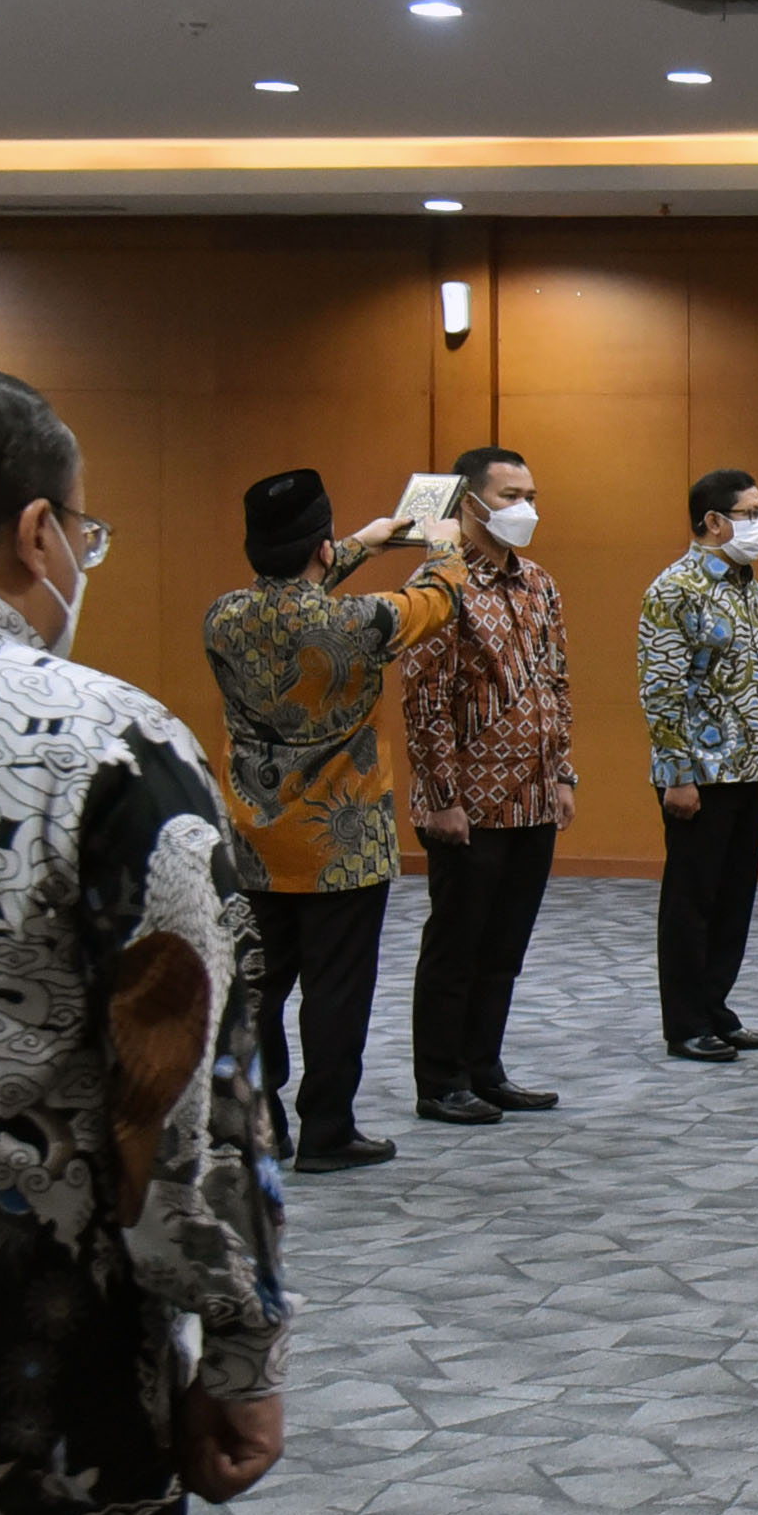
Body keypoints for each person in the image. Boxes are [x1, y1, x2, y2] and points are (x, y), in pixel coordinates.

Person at [0, 360, 290, 1515]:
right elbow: (184, 1097)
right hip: (22, 1428)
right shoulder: (104, 742)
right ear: (37, 532)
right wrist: (239, 1347)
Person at [204, 469, 464, 1172]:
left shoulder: (222, 616)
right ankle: (327, 1129)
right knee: (336, 991)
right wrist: (443, 544)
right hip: (340, 844)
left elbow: (294, 592)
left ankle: (259, 1121)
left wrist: (358, 544)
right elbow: (436, 599)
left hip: (254, 837)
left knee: (258, 987)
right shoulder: (357, 623)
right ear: (320, 549)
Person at [398, 446, 576, 1125]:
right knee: (457, 947)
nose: (524, 508)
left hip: (533, 797)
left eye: (531, 495)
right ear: (469, 503)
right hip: (467, 804)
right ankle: (441, 1080)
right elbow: (424, 699)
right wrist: (442, 796)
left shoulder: (539, 583)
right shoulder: (438, 583)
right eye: (509, 496)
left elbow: (557, 682)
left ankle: (484, 1067)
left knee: (504, 948)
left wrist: (562, 773)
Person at [641, 468, 758, 1063]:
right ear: (714, 522)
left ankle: (715, 1007)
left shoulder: (748, 586)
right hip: (700, 771)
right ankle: (685, 1022)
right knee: (692, 900)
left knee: (732, 899)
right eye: (751, 513)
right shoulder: (675, 588)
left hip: (750, 765)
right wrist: (677, 773)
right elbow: (661, 689)